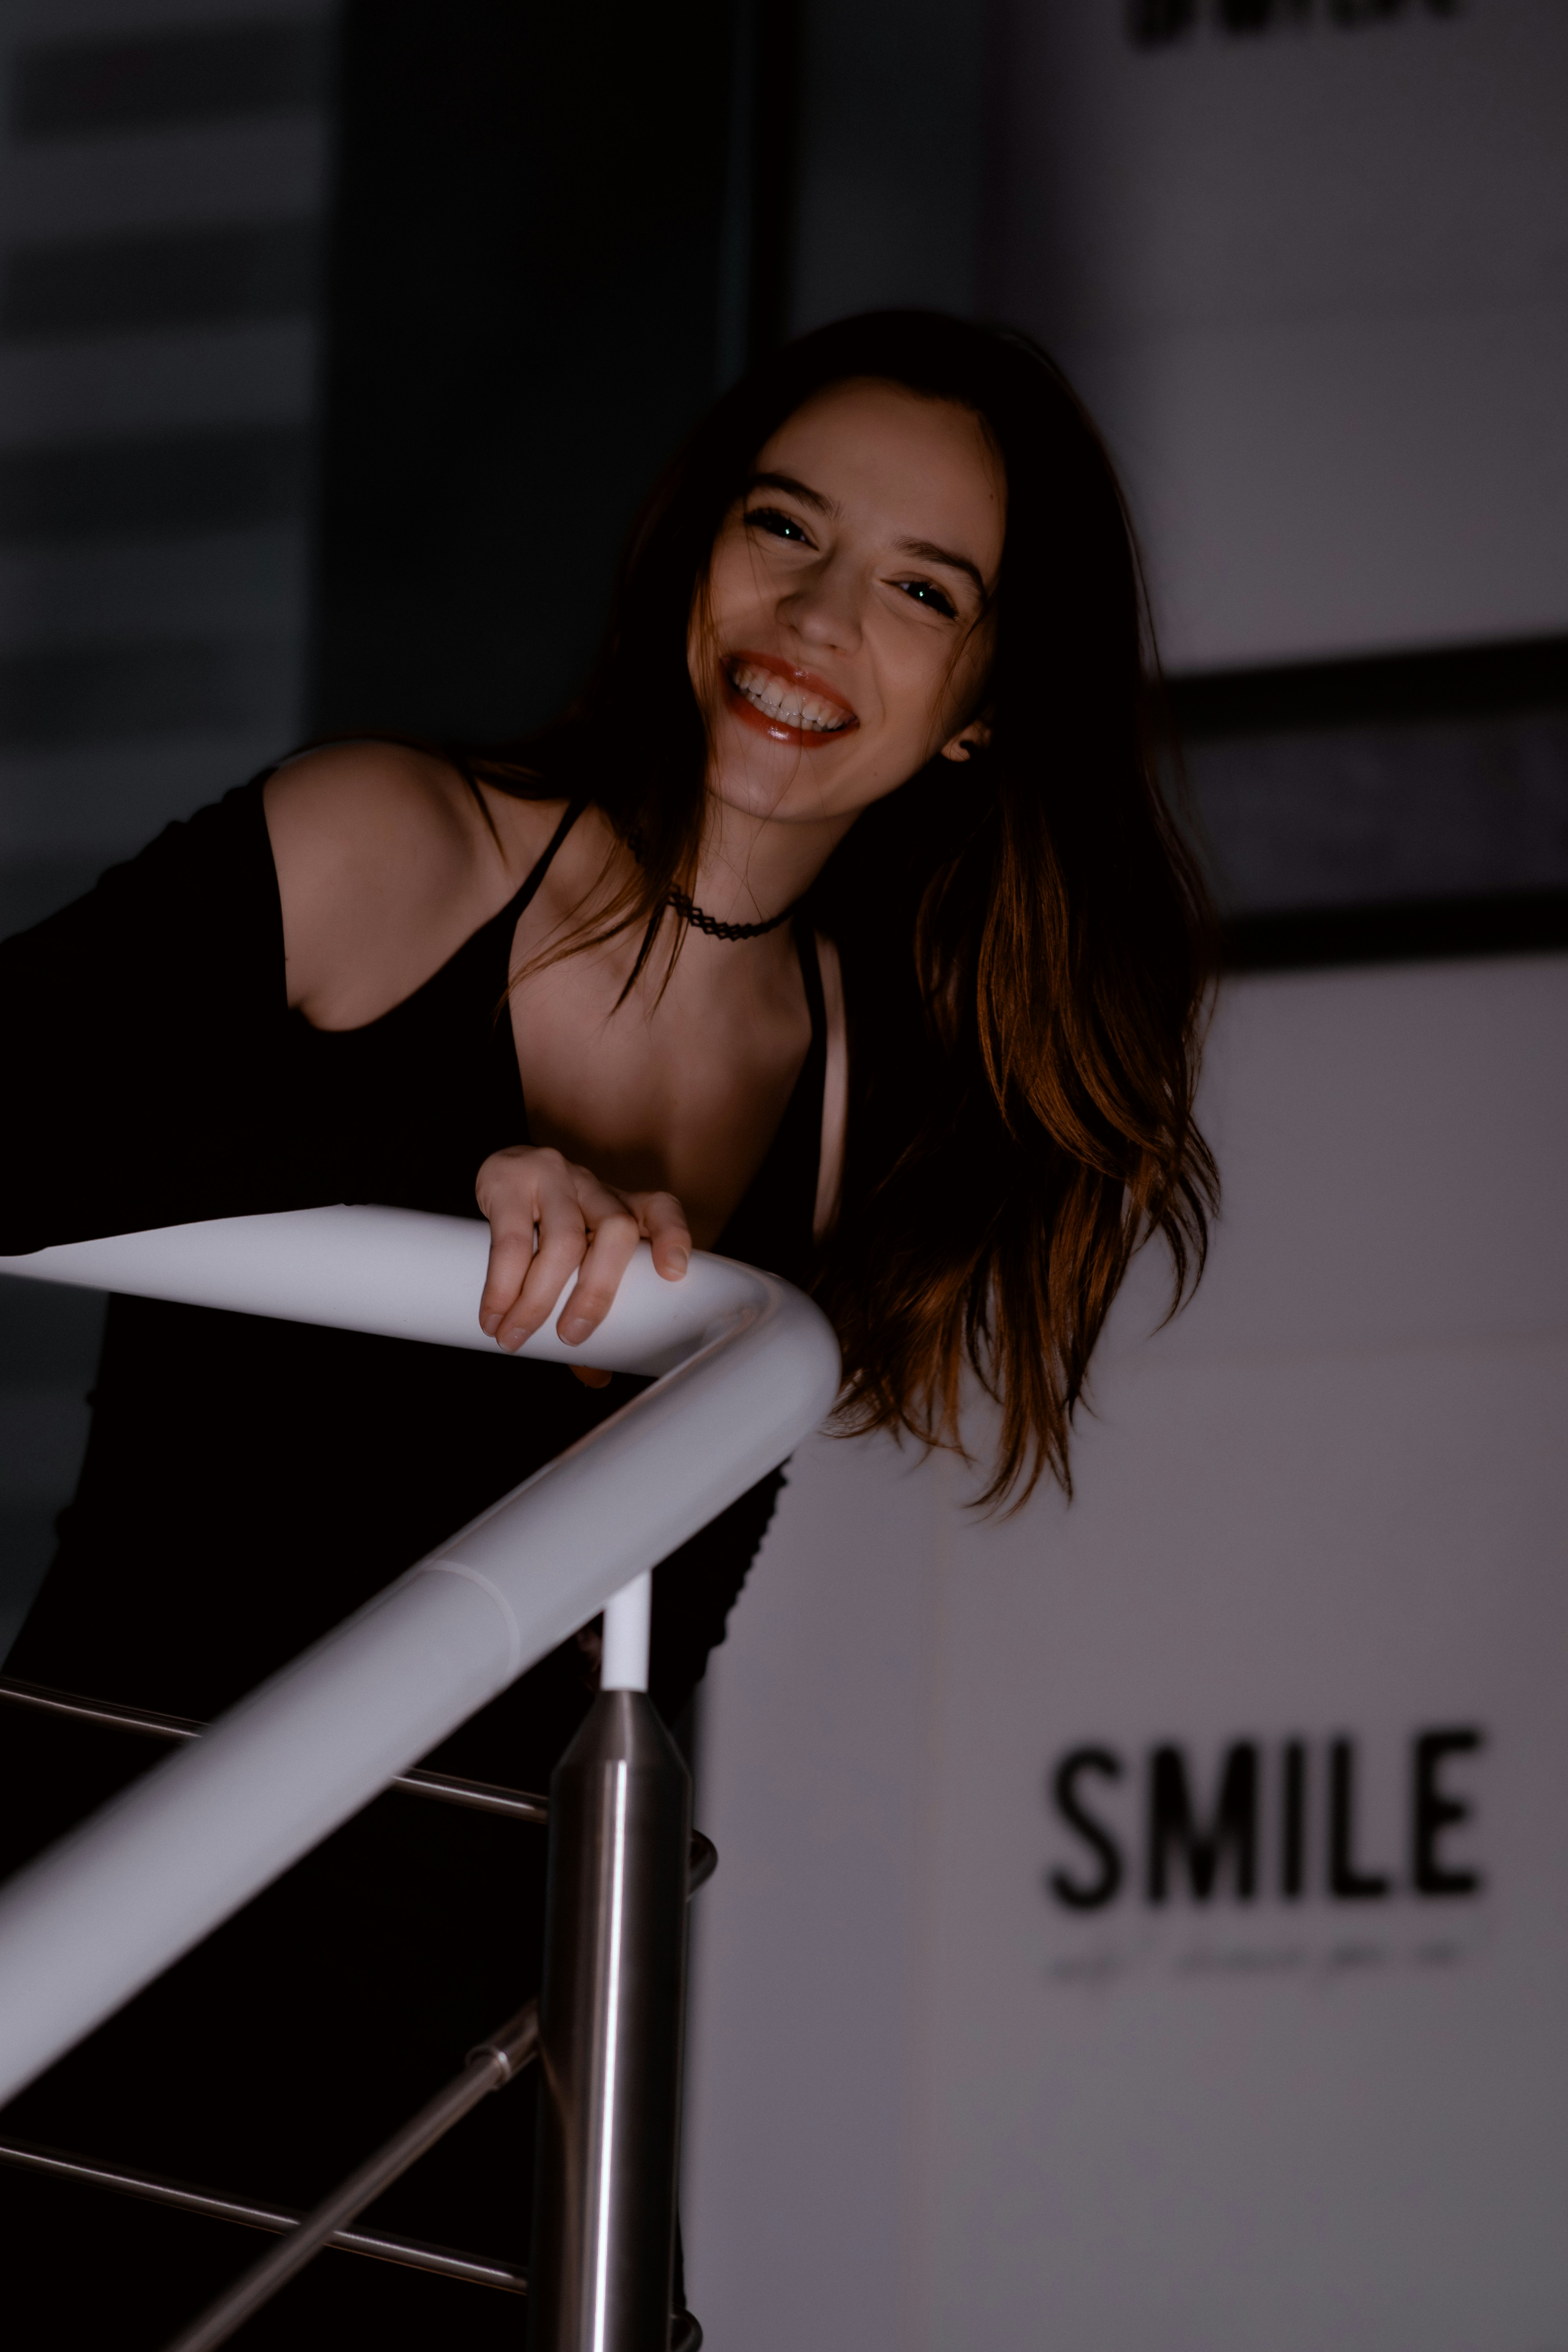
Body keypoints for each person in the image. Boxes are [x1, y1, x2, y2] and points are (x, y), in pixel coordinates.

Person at [0, 310, 1216, 2345]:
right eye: (785, 530)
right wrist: (420, 1184)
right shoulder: (391, 851)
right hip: (103, 1994)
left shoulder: (877, 1108)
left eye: (923, 592)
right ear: (694, 553)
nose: (817, 620)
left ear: (987, 706)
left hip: (489, 2105)